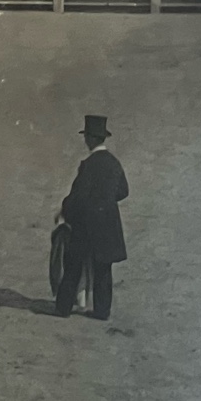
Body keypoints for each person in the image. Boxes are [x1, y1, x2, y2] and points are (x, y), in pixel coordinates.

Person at [54, 116, 129, 320]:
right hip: (108, 225)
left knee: (73, 266)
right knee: (103, 271)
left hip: (85, 226)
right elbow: (123, 191)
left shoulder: (88, 165)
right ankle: (102, 311)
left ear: (90, 139)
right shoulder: (114, 163)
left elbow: (77, 196)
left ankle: (63, 308)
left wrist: (64, 211)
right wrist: (105, 200)